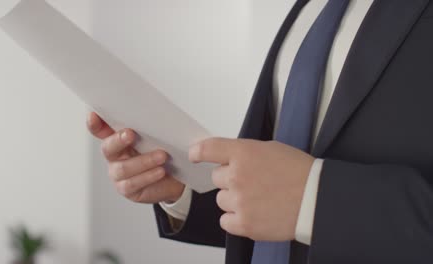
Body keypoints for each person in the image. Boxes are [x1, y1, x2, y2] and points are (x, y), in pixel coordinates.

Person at [87, 0, 433, 263]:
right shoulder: (310, 10)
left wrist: (314, 201)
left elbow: (300, 200)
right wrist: (185, 186)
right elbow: (276, 198)